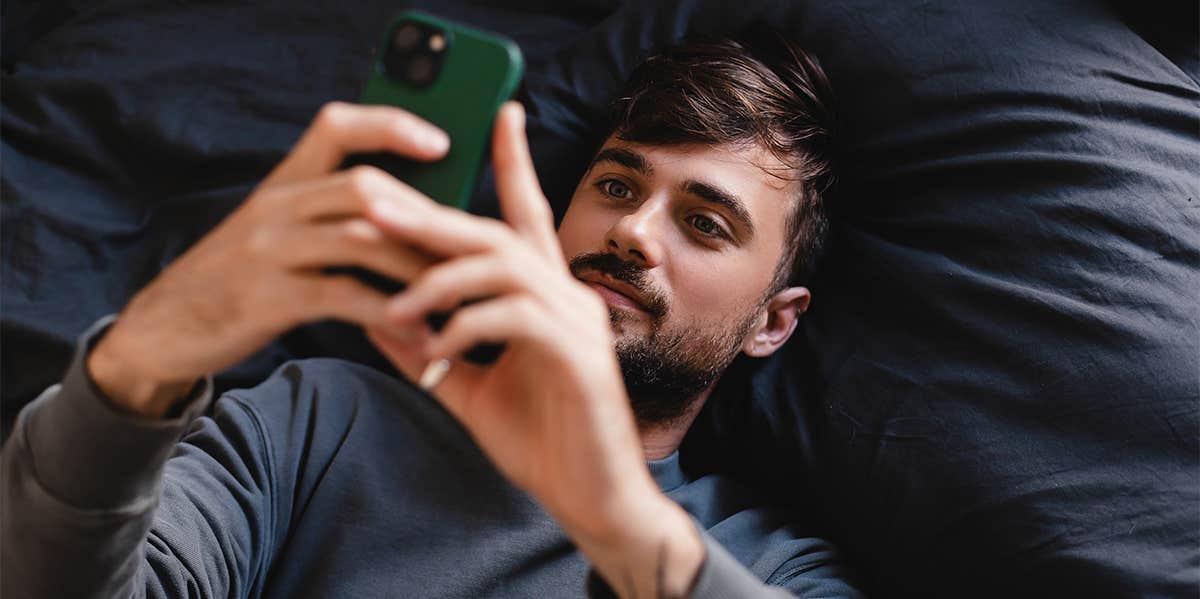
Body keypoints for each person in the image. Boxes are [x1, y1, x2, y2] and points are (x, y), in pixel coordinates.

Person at [2, 37, 858, 598]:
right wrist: (134, 368)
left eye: (705, 223)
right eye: (616, 186)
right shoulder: (315, 420)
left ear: (772, 323)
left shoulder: (771, 564)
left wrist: (614, 515)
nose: (632, 230)